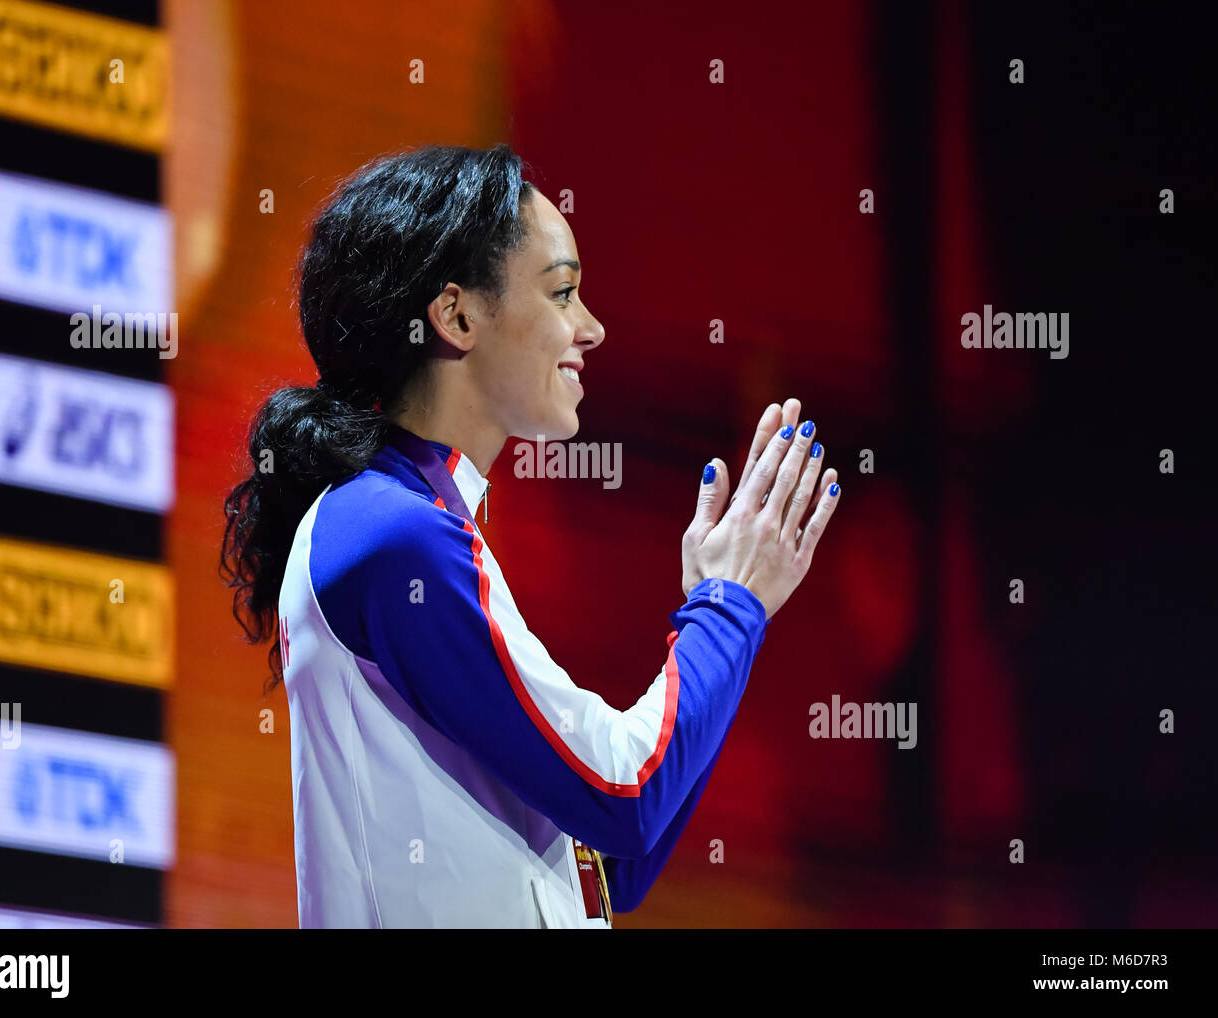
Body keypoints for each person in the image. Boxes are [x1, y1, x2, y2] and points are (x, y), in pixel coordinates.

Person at [220, 143, 841, 928]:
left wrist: (727, 618)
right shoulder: (393, 533)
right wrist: (727, 610)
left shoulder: (422, 524)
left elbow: (603, 870)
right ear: (456, 314)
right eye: (564, 293)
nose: (592, 329)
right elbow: (625, 792)